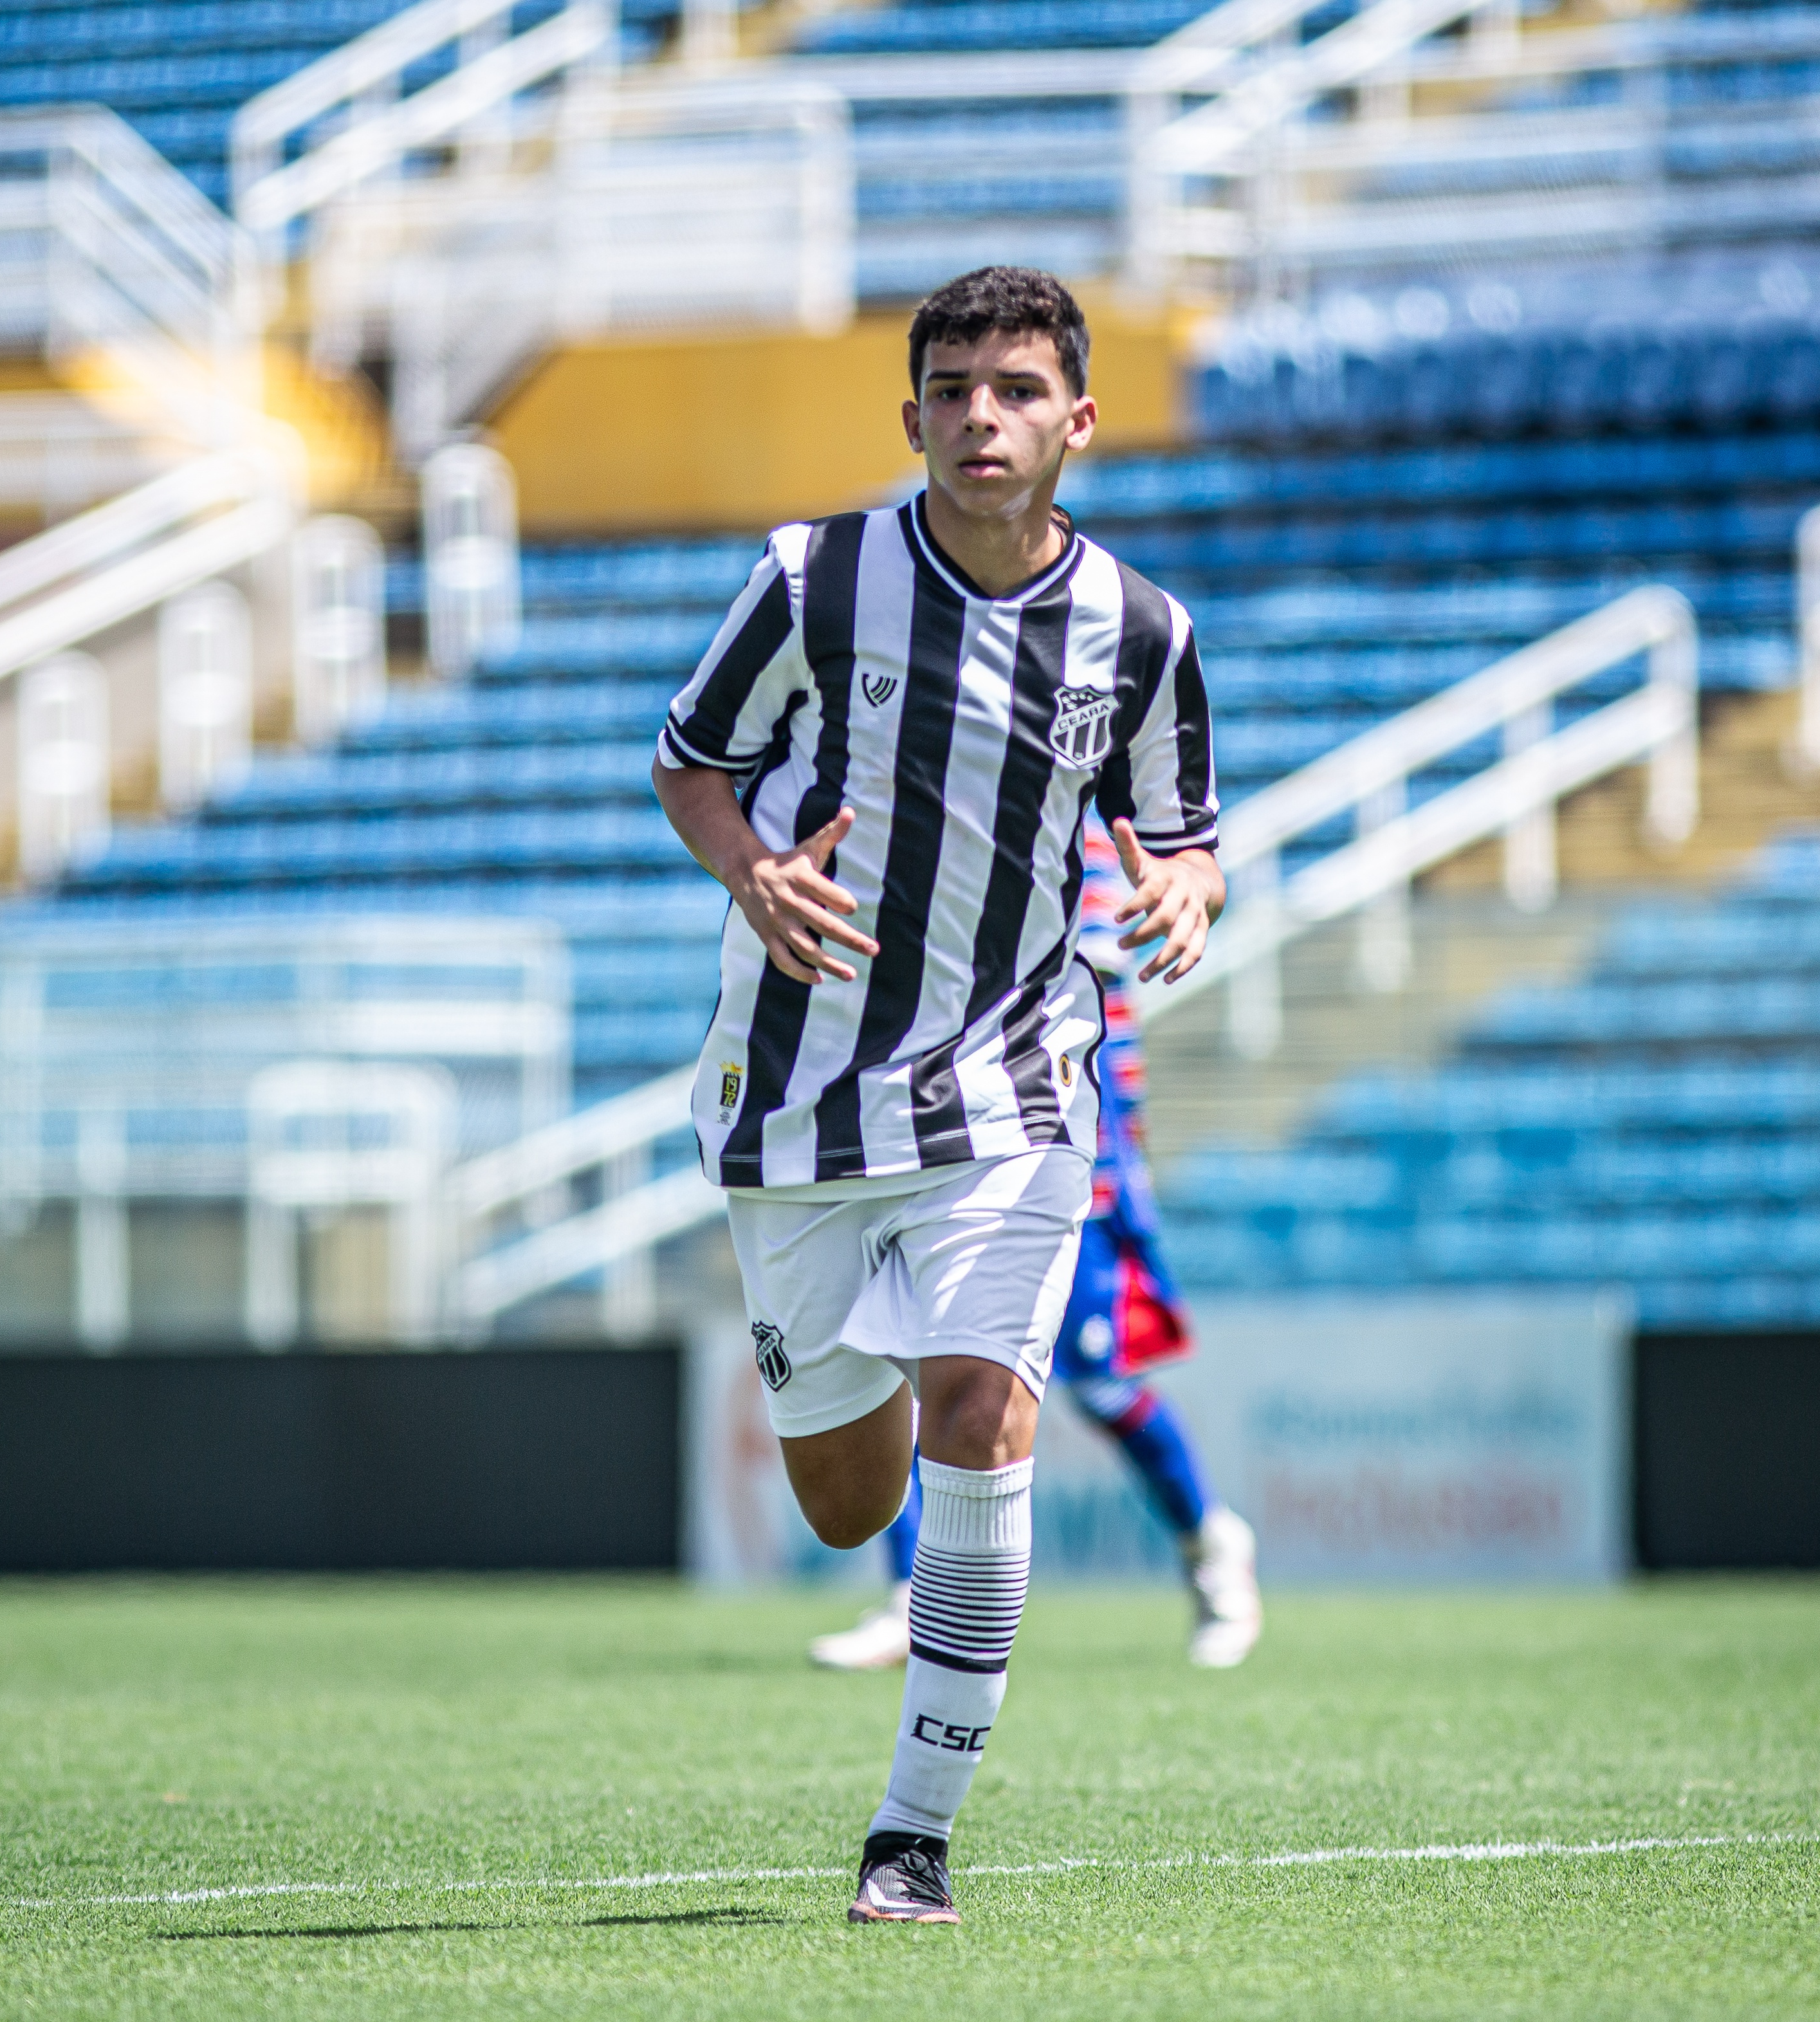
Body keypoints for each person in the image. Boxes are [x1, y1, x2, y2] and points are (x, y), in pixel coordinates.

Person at [651, 266, 1224, 1927]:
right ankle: (868, 1374)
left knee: (982, 1410)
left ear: (1077, 420)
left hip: (1012, 1079)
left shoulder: (1141, 629)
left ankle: (910, 1838)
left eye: (1019, 388)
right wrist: (755, 870)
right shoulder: (809, 580)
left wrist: (1190, 885)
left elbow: (1176, 823)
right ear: (910, 417)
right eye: (954, 388)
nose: (985, 416)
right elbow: (693, 759)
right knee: (845, 1506)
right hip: (799, 1092)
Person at [809, 814, 1263, 1673]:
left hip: (1069, 1152)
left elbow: (1104, 1013)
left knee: (1101, 1383)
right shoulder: (952, 831)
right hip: (956, 1151)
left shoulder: (1084, 844)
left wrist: (1115, 1152)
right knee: (922, 1374)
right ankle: (915, 1595)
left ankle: (1212, 1546)